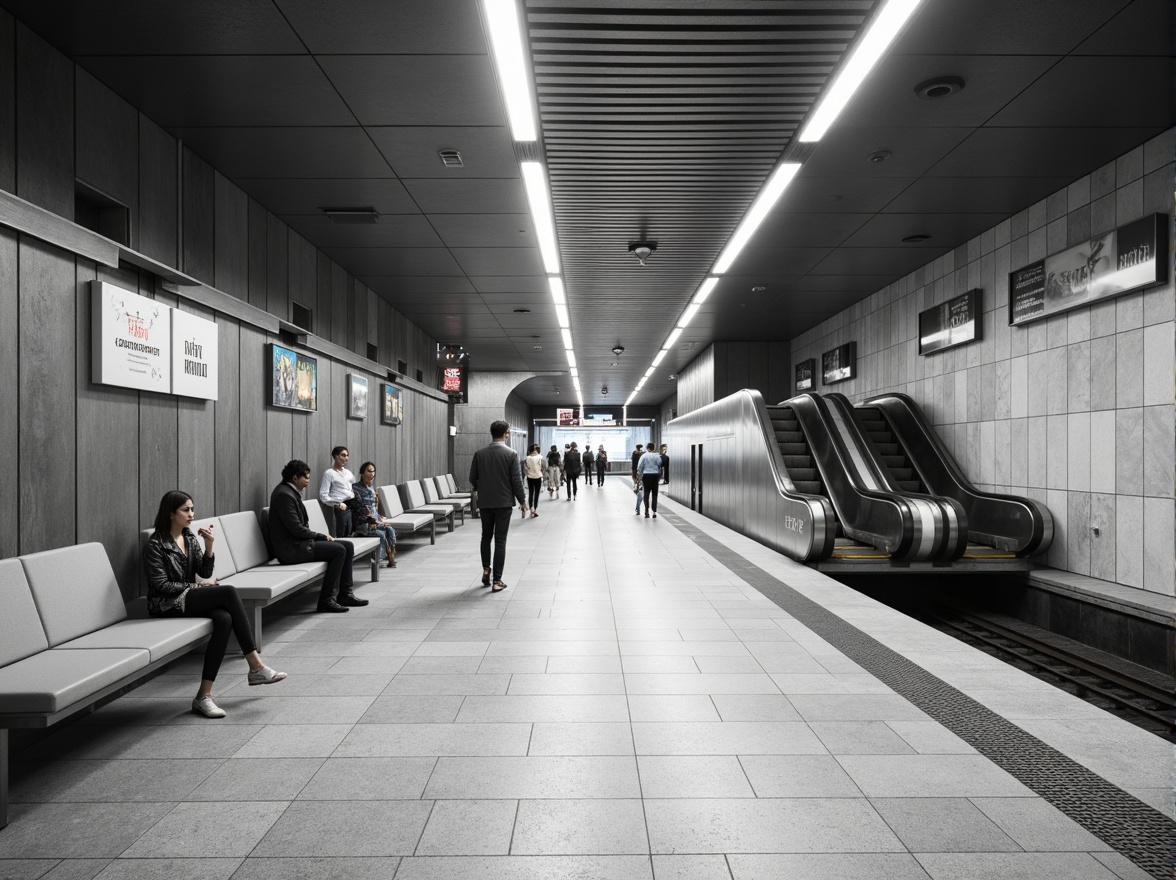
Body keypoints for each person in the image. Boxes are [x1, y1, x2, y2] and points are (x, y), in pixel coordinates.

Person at [144, 491, 287, 718]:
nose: (191, 514)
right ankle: (256, 666)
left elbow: (204, 571)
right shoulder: (156, 544)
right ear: (171, 514)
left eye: (192, 509)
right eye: (185, 510)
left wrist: (209, 545)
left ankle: (203, 696)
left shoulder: (189, 537)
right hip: (166, 604)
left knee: (224, 618)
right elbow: (160, 585)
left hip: (187, 597)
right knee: (228, 592)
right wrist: (195, 587)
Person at [271, 459, 367, 612]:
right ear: (295, 477)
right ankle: (326, 599)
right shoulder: (284, 495)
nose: (308, 481)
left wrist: (319, 537)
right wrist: (321, 536)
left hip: (299, 544)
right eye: (306, 477)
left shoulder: (289, 492)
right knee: (339, 550)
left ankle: (345, 594)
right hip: (291, 549)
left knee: (347, 546)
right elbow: (296, 529)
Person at [469, 420, 527, 591]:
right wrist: (523, 501)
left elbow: (473, 478)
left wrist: (483, 489)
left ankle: (486, 569)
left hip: (485, 502)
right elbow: (516, 481)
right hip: (503, 503)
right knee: (500, 539)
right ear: (506, 433)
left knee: (486, 536)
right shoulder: (511, 454)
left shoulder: (479, 453)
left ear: (491, 433)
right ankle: (497, 581)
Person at [353, 461, 396, 568]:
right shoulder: (355, 488)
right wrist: (376, 521)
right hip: (362, 522)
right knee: (381, 533)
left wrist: (380, 519)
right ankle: (379, 559)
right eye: (369, 471)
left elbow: (374, 509)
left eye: (373, 471)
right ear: (362, 473)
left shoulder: (371, 489)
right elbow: (361, 509)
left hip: (374, 519)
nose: (372, 474)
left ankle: (390, 557)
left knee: (390, 529)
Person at [318, 446, 356, 537]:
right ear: (335, 456)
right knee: (343, 533)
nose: (346, 458)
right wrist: (337, 503)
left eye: (347, 455)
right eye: (343, 455)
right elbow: (323, 495)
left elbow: (354, 488)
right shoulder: (329, 473)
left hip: (352, 504)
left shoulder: (349, 473)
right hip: (340, 506)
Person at [637, 442, 663, 518]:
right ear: (653, 448)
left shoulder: (644, 456)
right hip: (655, 475)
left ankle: (646, 511)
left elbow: (639, 466)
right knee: (655, 494)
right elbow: (659, 464)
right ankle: (654, 512)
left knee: (646, 493)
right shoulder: (657, 456)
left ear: (647, 448)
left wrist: (640, 475)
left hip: (646, 475)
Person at [523, 444, 544, 518]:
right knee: (537, 494)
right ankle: (535, 509)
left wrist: (528, 473)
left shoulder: (527, 458)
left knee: (531, 493)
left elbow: (525, 469)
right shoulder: (539, 457)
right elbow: (542, 467)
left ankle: (531, 507)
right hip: (538, 477)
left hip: (530, 478)